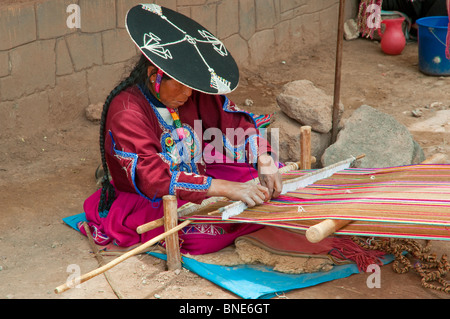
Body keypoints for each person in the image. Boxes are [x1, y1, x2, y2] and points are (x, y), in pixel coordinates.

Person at [79, 4, 282, 255]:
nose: (188, 94)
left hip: (201, 173)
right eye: (182, 87)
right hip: (154, 197)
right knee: (200, 237)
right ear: (155, 75)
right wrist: (227, 188)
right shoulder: (126, 111)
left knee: (272, 174)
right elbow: (153, 178)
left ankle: (245, 211)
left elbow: (233, 124)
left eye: (191, 86)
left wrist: (265, 158)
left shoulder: (190, 91)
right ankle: (248, 218)